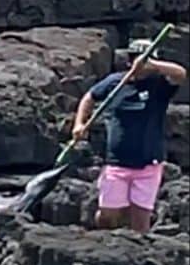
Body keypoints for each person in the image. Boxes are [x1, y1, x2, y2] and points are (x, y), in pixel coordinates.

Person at [72, 38, 187, 233]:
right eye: (136, 59)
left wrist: (153, 65)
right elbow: (89, 97)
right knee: (108, 215)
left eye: (146, 61)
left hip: (149, 163)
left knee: (140, 222)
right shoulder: (115, 82)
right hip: (117, 162)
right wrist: (80, 124)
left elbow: (180, 73)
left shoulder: (159, 86)